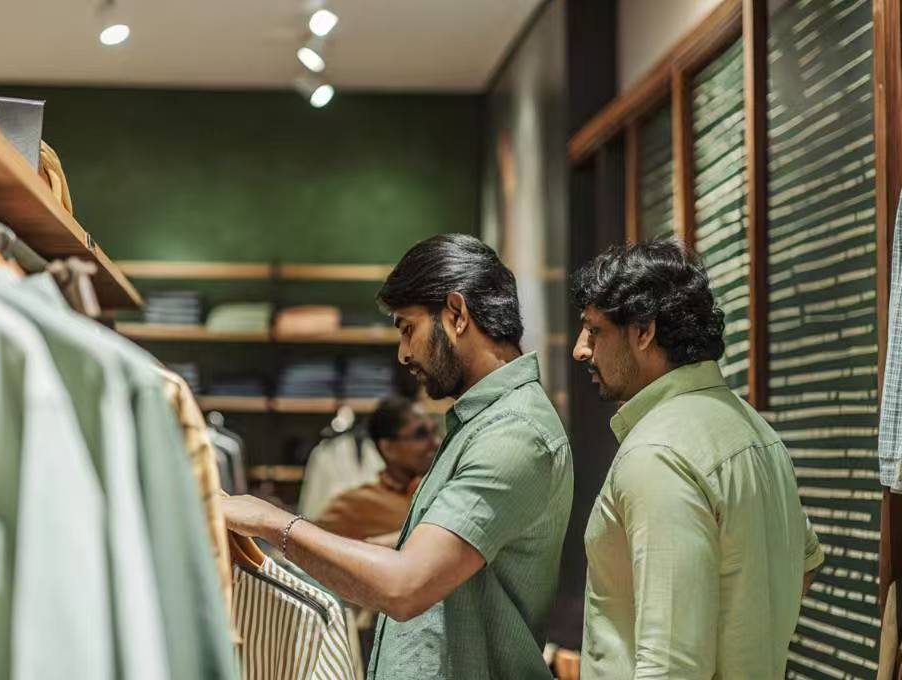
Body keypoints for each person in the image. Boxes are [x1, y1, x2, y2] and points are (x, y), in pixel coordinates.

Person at [221, 233, 573, 680]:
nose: (404, 353)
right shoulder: (479, 425)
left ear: (456, 314)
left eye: (408, 328)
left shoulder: (513, 435)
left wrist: (270, 519)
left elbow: (406, 585)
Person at [571, 239, 824, 679]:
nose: (581, 349)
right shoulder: (756, 430)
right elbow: (805, 566)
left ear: (643, 332)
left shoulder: (656, 454)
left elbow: (671, 667)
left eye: (595, 331)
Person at [313, 396, 440, 543]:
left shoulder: (443, 491)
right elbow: (313, 543)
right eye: (421, 435)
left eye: (435, 431)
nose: (436, 442)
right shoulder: (357, 505)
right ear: (388, 448)